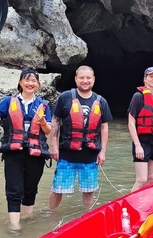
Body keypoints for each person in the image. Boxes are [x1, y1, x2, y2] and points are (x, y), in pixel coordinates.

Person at [0, 68, 52, 232]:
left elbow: (48, 130)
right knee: (14, 189)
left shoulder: (43, 105)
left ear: (38, 84)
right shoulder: (9, 101)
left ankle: (27, 219)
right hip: (14, 152)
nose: (30, 83)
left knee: (30, 189)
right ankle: (15, 226)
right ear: (20, 82)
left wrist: (42, 121)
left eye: (34, 80)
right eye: (27, 80)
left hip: (36, 153)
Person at [48, 65, 113, 209]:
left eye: (88, 78)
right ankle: (51, 215)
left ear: (93, 80)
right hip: (66, 154)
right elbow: (55, 122)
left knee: (89, 190)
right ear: (76, 79)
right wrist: (53, 146)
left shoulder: (101, 101)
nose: (85, 81)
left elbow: (104, 127)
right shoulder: (65, 97)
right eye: (81, 77)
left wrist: (102, 151)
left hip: (90, 154)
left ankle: (86, 215)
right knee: (58, 189)